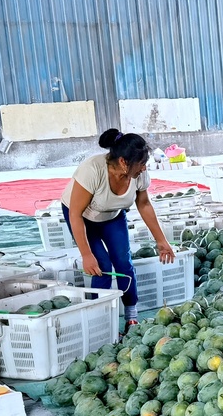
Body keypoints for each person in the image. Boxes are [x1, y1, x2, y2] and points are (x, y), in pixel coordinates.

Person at [61, 129, 174, 326]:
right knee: (102, 266)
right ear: (123, 162)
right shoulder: (92, 170)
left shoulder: (138, 175)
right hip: (82, 217)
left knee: (123, 262)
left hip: (112, 216)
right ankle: (98, 321)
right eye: (141, 164)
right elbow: (75, 214)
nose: (144, 169)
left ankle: (131, 315)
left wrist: (161, 241)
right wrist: (86, 254)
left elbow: (144, 204)